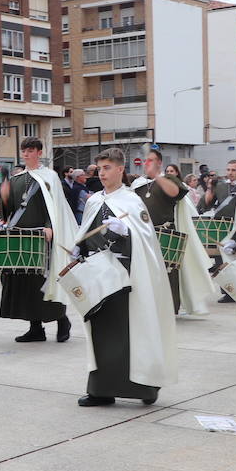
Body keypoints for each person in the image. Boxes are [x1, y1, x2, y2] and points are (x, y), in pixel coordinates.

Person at [72, 148, 176, 407]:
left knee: (132, 332)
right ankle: (101, 390)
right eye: (99, 169)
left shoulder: (132, 200)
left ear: (120, 169)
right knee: (99, 331)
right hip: (98, 274)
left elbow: (146, 242)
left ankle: (145, 387)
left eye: (107, 168)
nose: (102, 173)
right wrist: (78, 246)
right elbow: (86, 232)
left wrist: (126, 232)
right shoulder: (95, 199)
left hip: (126, 275)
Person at [0, 138, 77, 343]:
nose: (26, 154)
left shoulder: (50, 176)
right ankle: (35, 328)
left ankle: (62, 320)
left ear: (39, 153)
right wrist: (4, 198)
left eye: (30, 151)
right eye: (24, 151)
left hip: (43, 236)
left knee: (45, 281)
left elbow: (55, 206)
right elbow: (10, 212)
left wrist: (50, 226)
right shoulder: (16, 179)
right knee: (25, 283)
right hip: (21, 238)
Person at [133, 147, 215, 315]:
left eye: (151, 160)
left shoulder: (169, 179)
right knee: (147, 273)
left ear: (159, 163)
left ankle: (169, 309)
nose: (147, 164)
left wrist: (156, 176)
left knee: (168, 272)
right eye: (146, 161)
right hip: (144, 234)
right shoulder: (138, 184)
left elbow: (175, 192)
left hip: (166, 233)